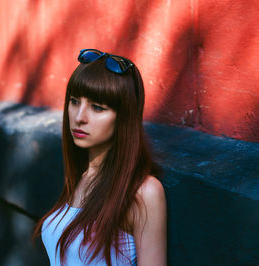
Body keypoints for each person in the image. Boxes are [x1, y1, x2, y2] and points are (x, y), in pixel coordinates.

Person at [33, 49, 167, 266]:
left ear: (123, 118)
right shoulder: (81, 175)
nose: (79, 117)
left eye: (97, 107)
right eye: (75, 101)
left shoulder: (142, 192)